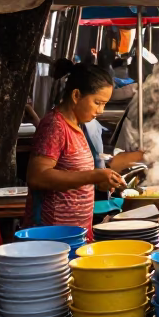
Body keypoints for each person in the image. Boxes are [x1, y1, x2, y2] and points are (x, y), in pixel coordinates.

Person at [25, 64, 125, 229]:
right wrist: (94, 176)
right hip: (52, 235)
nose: (101, 111)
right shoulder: (54, 126)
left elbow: (74, 176)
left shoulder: (77, 126)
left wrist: (101, 183)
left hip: (74, 233)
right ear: (76, 95)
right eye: (98, 103)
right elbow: (37, 177)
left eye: (104, 104)